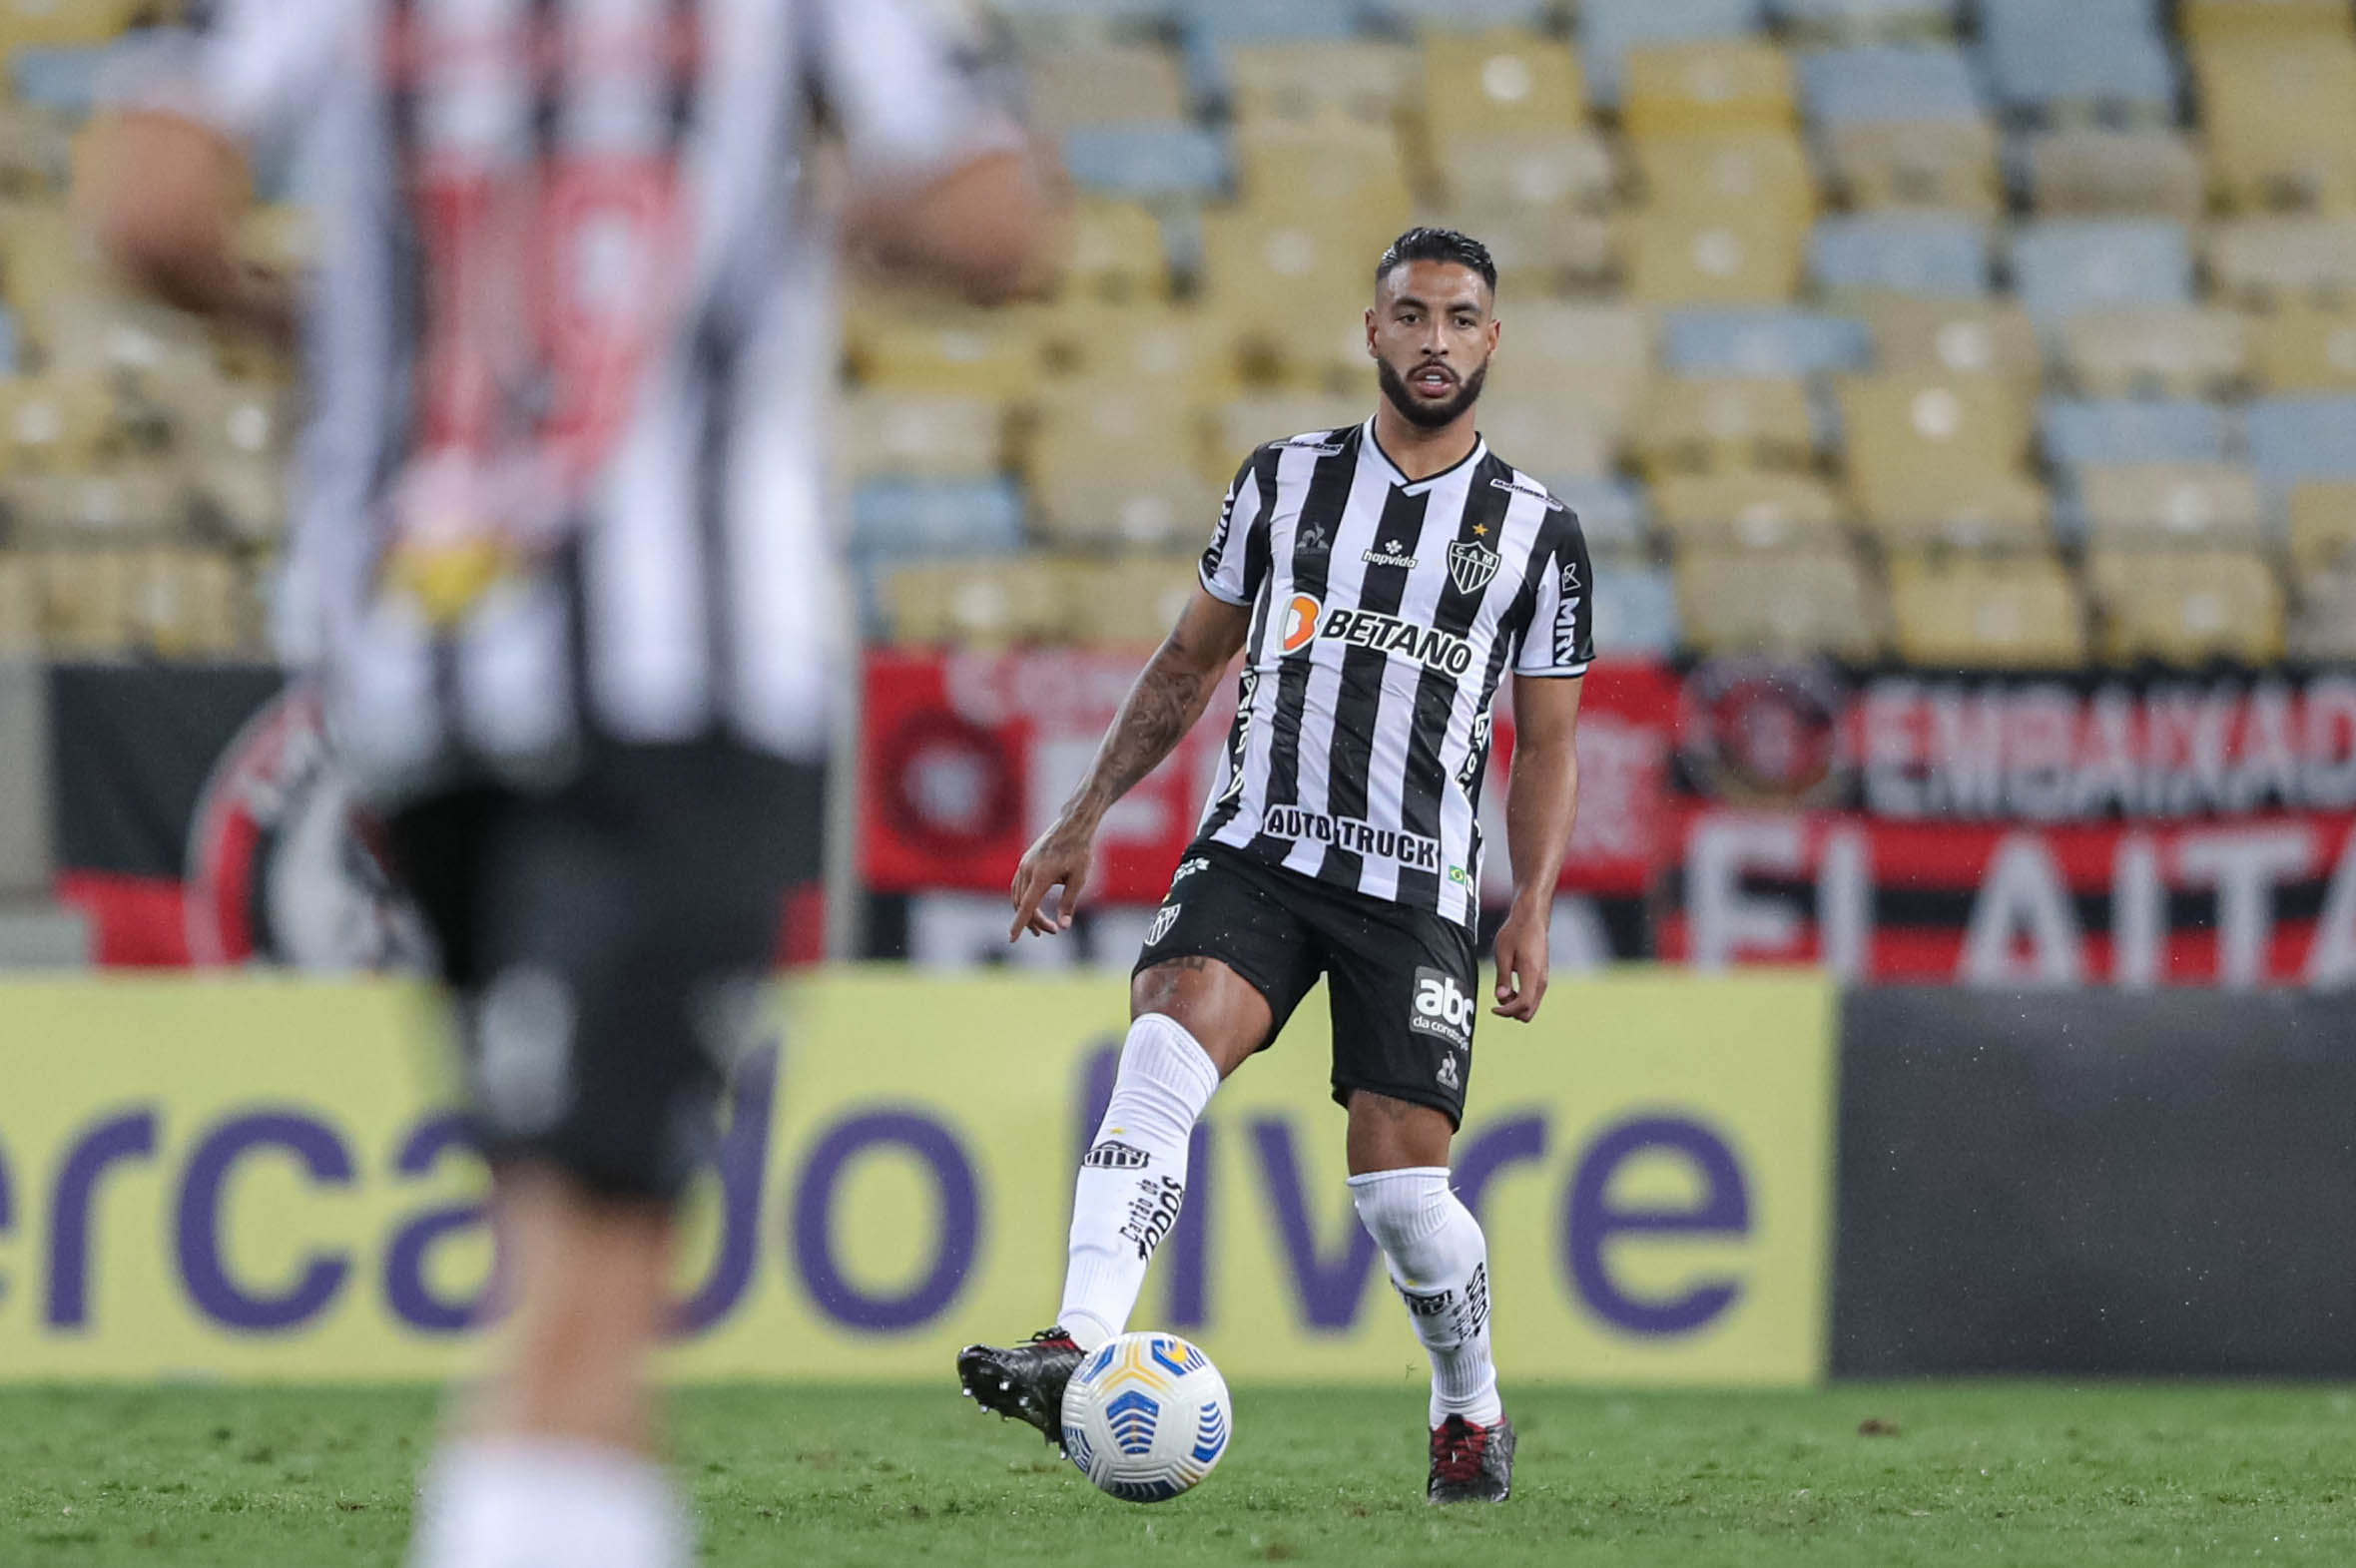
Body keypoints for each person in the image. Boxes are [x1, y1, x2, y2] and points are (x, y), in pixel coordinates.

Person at [78, 3, 1064, 1565]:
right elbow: (994, 215)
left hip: (418, 662)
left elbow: (143, 200)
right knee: (593, 1255)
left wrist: (347, 324)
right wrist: (800, 219)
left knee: (566, 1216)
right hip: (690, 672)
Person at [958, 227, 1590, 1506]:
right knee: (1159, 1047)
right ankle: (1077, 1343)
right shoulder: (1282, 483)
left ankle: (1466, 1408)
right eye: (1409, 315)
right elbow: (1187, 662)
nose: (1432, 340)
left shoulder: (1537, 533)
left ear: (1491, 339)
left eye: (1459, 318)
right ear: (1370, 330)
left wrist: (1528, 907)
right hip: (1258, 848)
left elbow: (1549, 742)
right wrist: (1081, 812)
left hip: (1417, 888)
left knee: (1403, 1195)